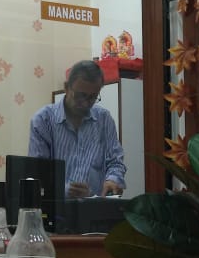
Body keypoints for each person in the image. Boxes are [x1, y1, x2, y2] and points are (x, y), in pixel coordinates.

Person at [28, 59, 126, 198]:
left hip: (95, 208)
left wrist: (113, 180)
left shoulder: (104, 119)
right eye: (80, 96)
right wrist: (67, 190)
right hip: (55, 207)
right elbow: (38, 174)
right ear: (66, 88)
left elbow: (115, 162)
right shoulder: (43, 120)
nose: (85, 103)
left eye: (92, 97)